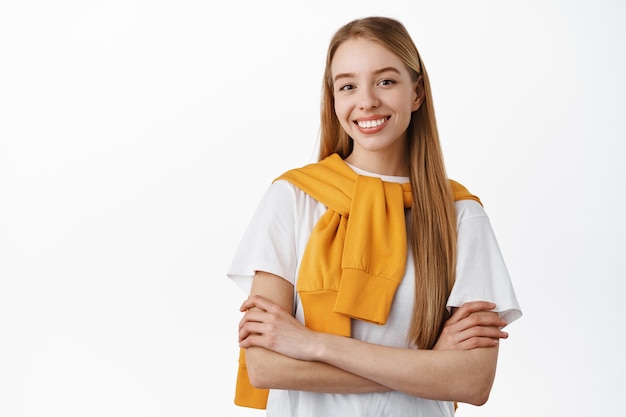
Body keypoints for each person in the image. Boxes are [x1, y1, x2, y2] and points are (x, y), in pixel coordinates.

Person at [227, 16, 521, 417]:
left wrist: (313, 345)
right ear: (333, 99)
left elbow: (472, 381)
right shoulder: (292, 199)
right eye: (347, 86)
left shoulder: (460, 215)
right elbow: (266, 366)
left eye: (385, 81)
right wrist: (430, 366)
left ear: (416, 93)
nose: (366, 101)